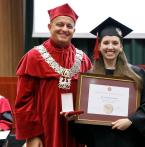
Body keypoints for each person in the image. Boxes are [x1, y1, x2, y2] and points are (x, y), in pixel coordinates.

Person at [14, 3, 92, 147]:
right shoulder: (33, 57)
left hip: (76, 132)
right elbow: (24, 101)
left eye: (69, 26)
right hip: (45, 131)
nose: (64, 29)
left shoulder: (83, 59)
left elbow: (90, 100)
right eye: (60, 25)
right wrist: (32, 135)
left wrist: (88, 135)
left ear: (74, 30)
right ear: (49, 27)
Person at [75, 17, 145, 147]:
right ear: (99, 46)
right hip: (99, 139)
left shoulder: (136, 74)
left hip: (128, 139)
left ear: (121, 46)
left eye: (115, 43)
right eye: (106, 43)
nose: (110, 47)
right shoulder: (90, 77)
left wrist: (130, 121)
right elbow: (83, 111)